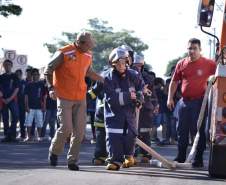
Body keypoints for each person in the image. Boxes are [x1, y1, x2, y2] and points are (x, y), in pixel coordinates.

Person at [45, 31, 104, 171]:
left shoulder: (88, 54)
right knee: (66, 128)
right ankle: (54, 151)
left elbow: (88, 72)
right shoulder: (63, 53)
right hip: (64, 96)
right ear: (81, 43)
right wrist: (50, 88)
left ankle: (72, 161)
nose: (91, 47)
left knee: (79, 132)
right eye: (89, 44)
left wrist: (103, 79)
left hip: (80, 97)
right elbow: (48, 70)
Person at [167, 38, 216, 168]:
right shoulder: (181, 63)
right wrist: (170, 98)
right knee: (181, 131)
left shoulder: (209, 64)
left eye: (195, 48)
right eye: (190, 48)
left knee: (198, 131)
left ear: (200, 50)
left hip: (200, 102)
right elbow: (174, 81)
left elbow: (219, 77)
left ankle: (198, 159)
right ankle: (181, 156)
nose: (192, 51)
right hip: (184, 102)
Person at [103, 47, 144, 170]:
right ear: (113, 64)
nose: (121, 65)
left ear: (127, 62)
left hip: (129, 113)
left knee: (131, 135)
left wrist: (139, 98)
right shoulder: (108, 77)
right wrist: (129, 96)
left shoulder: (134, 75)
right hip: (114, 115)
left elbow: (140, 89)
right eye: (118, 63)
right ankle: (115, 161)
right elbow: (111, 98)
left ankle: (129, 156)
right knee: (114, 136)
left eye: (123, 62)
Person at [0, 59, 19, 142]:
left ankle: (12, 134)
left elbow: (17, 89)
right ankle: (6, 136)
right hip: (3, 100)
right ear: (3, 66)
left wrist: (10, 98)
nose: (7, 66)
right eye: (5, 65)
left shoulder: (14, 76)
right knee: (5, 118)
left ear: (11, 66)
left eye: (8, 65)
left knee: (15, 116)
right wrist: (3, 99)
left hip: (12, 99)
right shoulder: (1, 77)